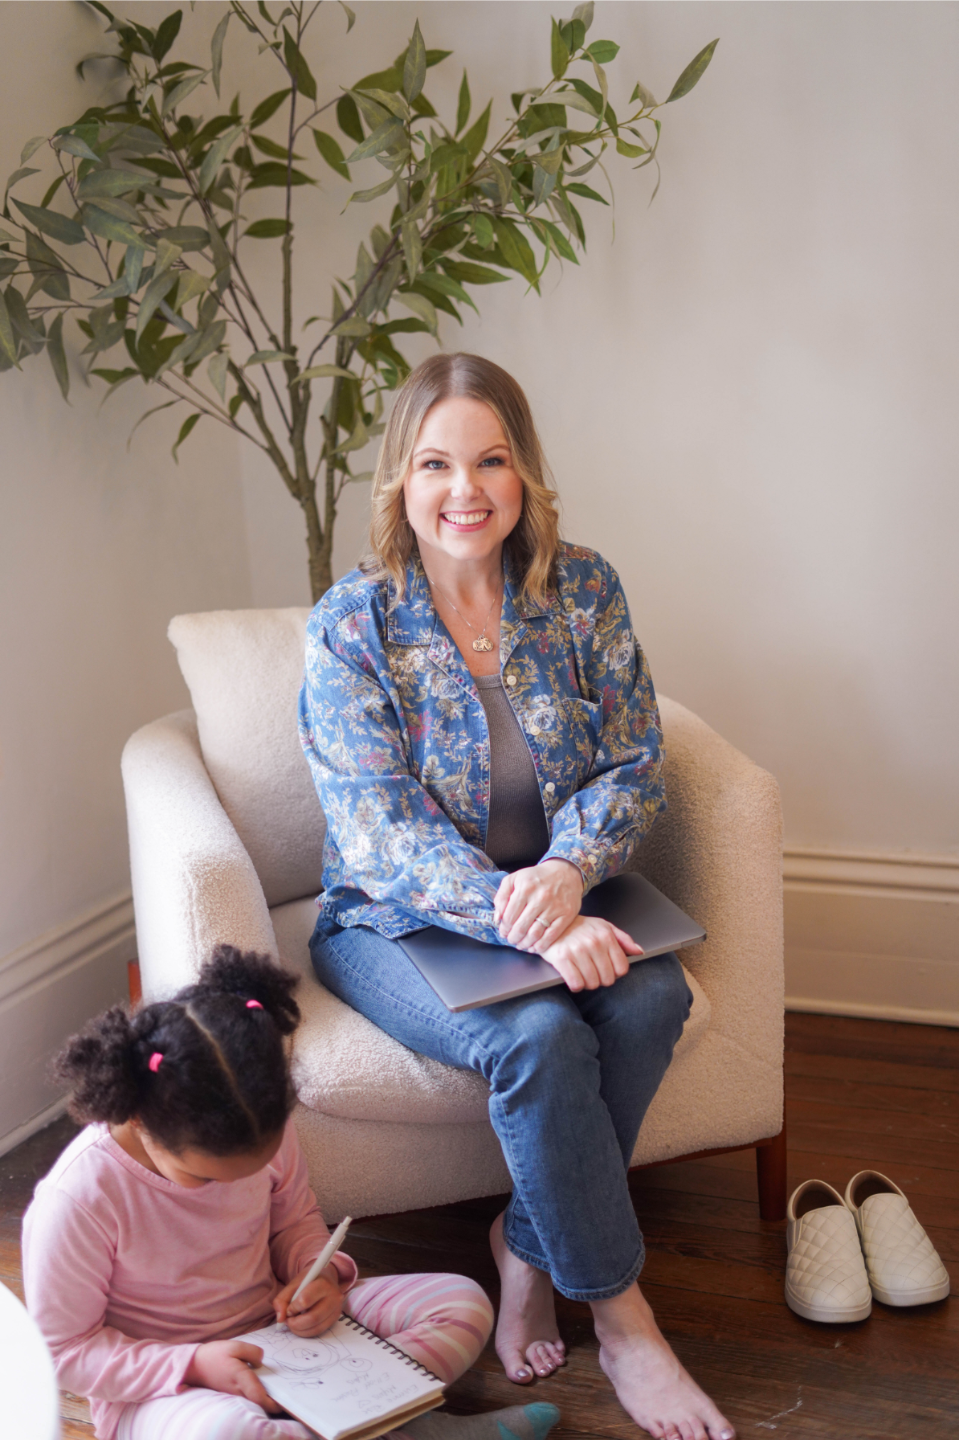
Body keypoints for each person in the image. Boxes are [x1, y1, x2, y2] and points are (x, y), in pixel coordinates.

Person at [299, 354, 736, 1440]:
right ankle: (625, 1323)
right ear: (400, 481)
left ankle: (526, 1247)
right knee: (536, 1037)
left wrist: (566, 873)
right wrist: (530, 921)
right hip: (394, 920)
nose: (466, 489)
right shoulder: (352, 623)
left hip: (562, 890)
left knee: (649, 998)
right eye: (435, 464)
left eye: (490, 460)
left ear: (524, 472)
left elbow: (634, 761)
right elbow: (379, 829)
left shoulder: (581, 589)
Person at [22, 945, 561, 1440]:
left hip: (283, 1340)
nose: (229, 1190)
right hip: (170, 1388)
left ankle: (347, 1421)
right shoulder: (78, 1200)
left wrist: (315, 1273)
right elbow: (63, 1352)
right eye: (205, 1179)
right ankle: (407, 1427)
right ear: (140, 1119)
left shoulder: (261, 1121)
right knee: (228, 1433)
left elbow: (295, 1221)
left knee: (463, 1304)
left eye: (253, 1167)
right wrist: (194, 1363)